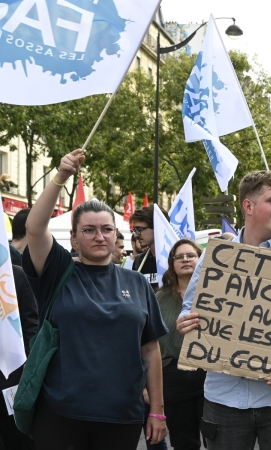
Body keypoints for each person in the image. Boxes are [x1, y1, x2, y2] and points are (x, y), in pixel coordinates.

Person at [23, 149, 168, 449]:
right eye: (88, 230)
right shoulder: (58, 273)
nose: (99, 236)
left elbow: (151, 351)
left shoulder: (137, 282)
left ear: (116, 234)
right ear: (74, 238)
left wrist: (157, 410)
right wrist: (61, 177)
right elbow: (34, 229)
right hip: (60, 415)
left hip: (121, 416)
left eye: (106, 229)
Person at [176, 170, 271, 450]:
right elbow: (189, 309)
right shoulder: (215, 255)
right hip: (224, 401)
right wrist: (186, 322)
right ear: (248, 206)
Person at [157, 239, 206, 450]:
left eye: (191, 255)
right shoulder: (158, 298)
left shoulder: (216, 294)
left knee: (220, 440)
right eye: (179, 256)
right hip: (172, 376)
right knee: (183, 443)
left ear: (201, 260)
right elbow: (149, 342)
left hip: (209, 375)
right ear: (172, 263)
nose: (185, 259)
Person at [0, 265, 37, 450]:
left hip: (13, 378)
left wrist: (28, 368)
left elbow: (31, 323)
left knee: (17, 437)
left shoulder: (13, 274)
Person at [130, 205, 170, 291]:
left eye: (139, 229)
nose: (136, 235)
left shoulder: (176, 259)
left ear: (157, 227)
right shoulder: (139, 261)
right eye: (135, 230)